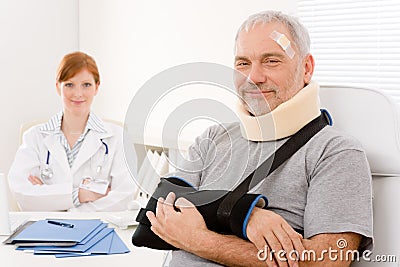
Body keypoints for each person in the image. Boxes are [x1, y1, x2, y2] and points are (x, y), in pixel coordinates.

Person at [146, 11, 373, 267]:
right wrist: (245, 215)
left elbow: (326, 262)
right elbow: (153, 218)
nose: (253, 77)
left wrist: (199, 239)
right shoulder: (214, 137)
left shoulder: (335, 152)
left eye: (271, 61)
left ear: (306, 68)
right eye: (243, 63)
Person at [9, 51, 137, 211]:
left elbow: (122, 197)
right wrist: (79, 195)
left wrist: (60, 206)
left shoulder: (117, 137)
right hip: (45, 232)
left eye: (86, 85)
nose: (78, 93)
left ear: (97, 87)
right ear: (58, 87)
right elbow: (23, 192)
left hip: (96, 230)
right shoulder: (35, 137)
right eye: (69, 84)